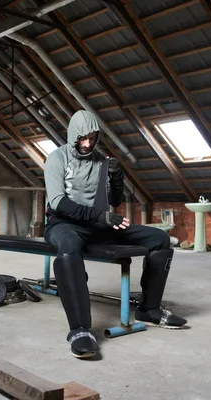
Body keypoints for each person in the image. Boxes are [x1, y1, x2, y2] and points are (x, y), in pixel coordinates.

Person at [44, 110, 187, 359]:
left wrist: (116, 178)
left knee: (159, 239)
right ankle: (80, 330)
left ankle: (149, 309)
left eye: (92, 138)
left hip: (98, 225)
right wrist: (99, 216)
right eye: (82, 139)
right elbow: (58, 202)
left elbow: (114, 200)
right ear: (73, 136)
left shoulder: (101, 160)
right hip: (64, 224)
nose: (87, 144)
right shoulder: (57, 158)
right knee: (68, 247)